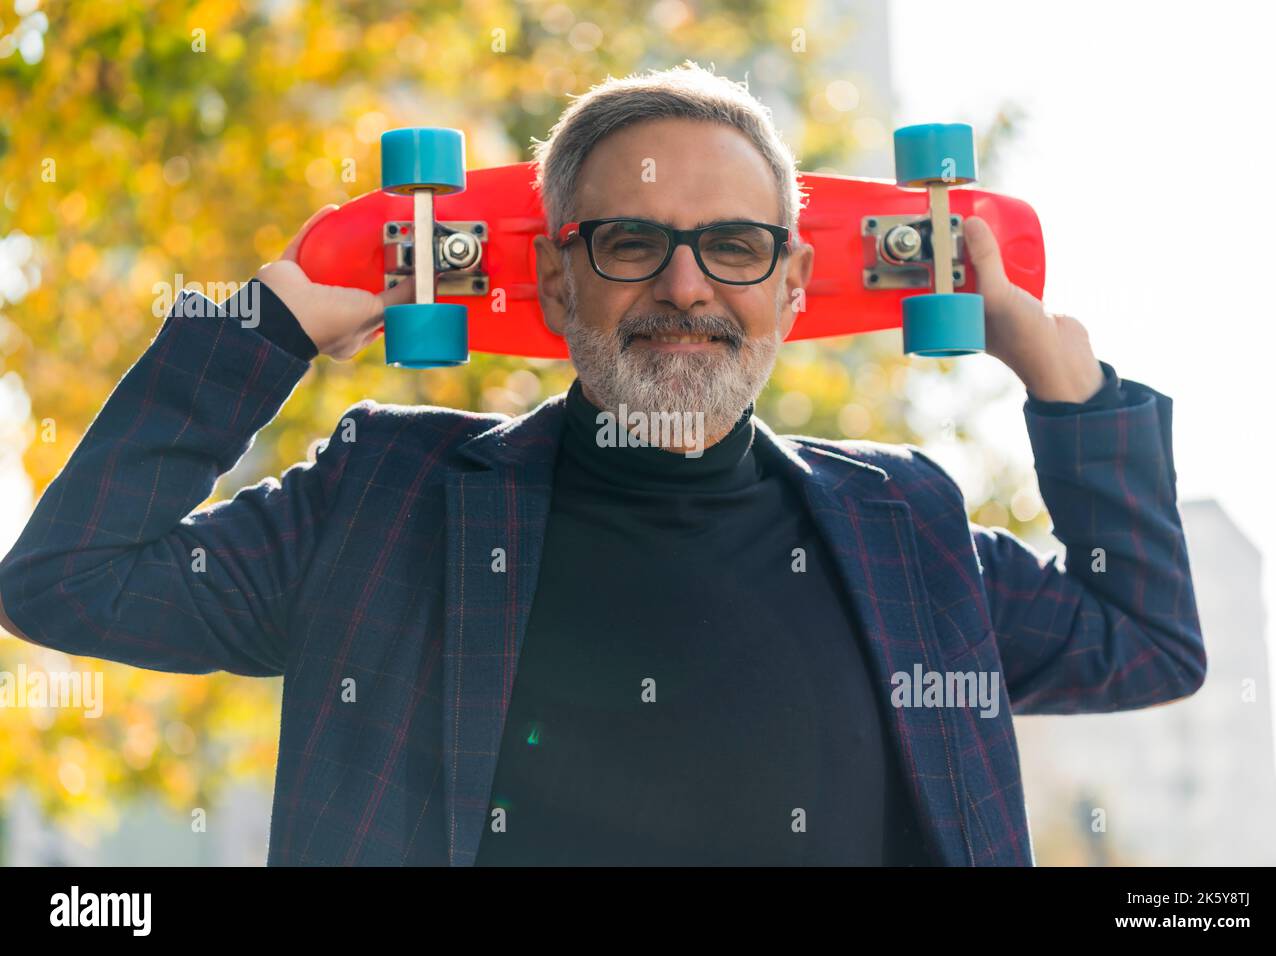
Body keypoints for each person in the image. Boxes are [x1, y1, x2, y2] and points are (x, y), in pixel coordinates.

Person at [0, 62, 1204, 866]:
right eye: (631, 240)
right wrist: (257, 326)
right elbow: (69, 575)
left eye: (733, 245)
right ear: (555, 278)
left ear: (794, 286)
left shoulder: (910, 524)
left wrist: (1066, 387)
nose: (685, 285)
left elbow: (1147, 640)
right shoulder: (384, 501)